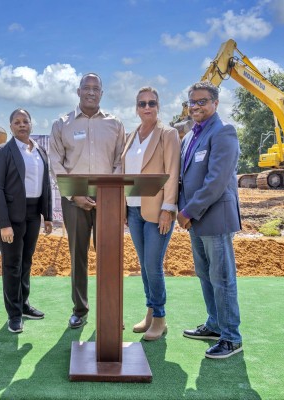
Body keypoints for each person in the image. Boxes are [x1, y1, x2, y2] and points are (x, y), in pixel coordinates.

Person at [49, 73, 126, 329]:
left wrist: (109, 193)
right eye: (87, 88)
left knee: (108, 256)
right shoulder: (62, 124)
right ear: (78, 91)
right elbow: (56, 162)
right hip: (74, 198)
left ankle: (110, 310)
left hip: (107, 199)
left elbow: (119, 161)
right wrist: (74, 194)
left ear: (102, 93)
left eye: (96, 88)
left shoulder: (115, 124)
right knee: (78, 255)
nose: (91, 92)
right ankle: (79, 310)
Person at [176, 81, 243, 359]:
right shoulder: (192, 135)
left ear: (215, 103)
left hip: (214, 217)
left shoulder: (223, 132)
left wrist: (188, 211)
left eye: (202, 101)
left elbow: (216, 181)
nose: (196, 106)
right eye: (192, 102)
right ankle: (215, 325)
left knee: (222, 278)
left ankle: (231, 337)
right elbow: (184, 179)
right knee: (205, 275)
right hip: (196, 219)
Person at [122, 87, 181, 341]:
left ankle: (160, 318)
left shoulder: (168, 134)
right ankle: (149, 313)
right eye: (142, 103)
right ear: (136, 108)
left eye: (152, 103)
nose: (147, 107)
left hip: (157, 209)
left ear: (158, 106)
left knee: (152, 265)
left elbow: (172, 172)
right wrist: (124, 207)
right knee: (143, 266)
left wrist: (168, 208)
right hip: (134, 209)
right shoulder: (131, 135)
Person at [0, 109, 53, 334]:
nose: (22, 125)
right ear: (11, 126)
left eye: (25, 121)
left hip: (34, 214)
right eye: (17, 122)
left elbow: (45, 185)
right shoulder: (2, 152)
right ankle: (14, 314)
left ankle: (24, 305)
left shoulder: (40, 151)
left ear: (31, 125)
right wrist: (4, 223)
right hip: (10, 216)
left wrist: (48, 216)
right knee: (12, 265)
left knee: (26, 262)